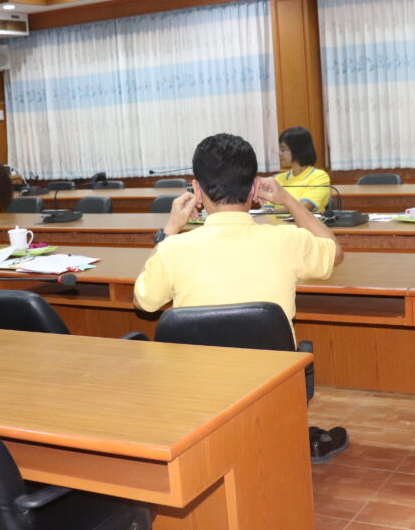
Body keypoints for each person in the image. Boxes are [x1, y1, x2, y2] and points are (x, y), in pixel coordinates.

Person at [134, 132, 348, 463]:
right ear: (254, 188)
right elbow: (335, 252)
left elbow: (143, 302)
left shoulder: (173, 249)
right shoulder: (286, 240)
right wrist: (289, 200)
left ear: (197, 190)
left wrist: (171, 228)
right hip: (270, 386)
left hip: (196, 395)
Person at [272, 126, 331, 212]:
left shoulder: (320, 177)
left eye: (283, 149)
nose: (280, 154)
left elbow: (302, 208)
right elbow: (266, 208)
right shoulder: (277, 179)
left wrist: (271, 211)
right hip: (274, 221)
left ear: (297, 149)